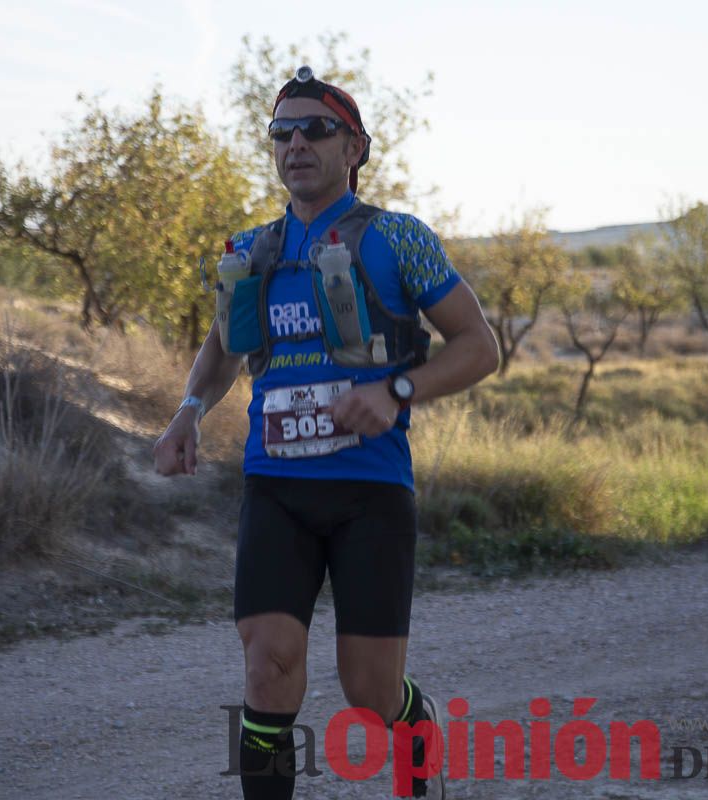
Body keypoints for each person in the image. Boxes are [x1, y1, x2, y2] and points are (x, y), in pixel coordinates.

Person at [153, 66, 499, 799]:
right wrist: (188, 410)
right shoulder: (249, 251)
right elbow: (223, 349)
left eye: (317, 129)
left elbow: (479, 346)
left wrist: (397, 388)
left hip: (371, 490)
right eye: (283, 131)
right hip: (276, 485)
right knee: (268, 662)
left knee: (369, 690)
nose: (297, 143)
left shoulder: (399, 240)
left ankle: (415, 727)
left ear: (355, 148)